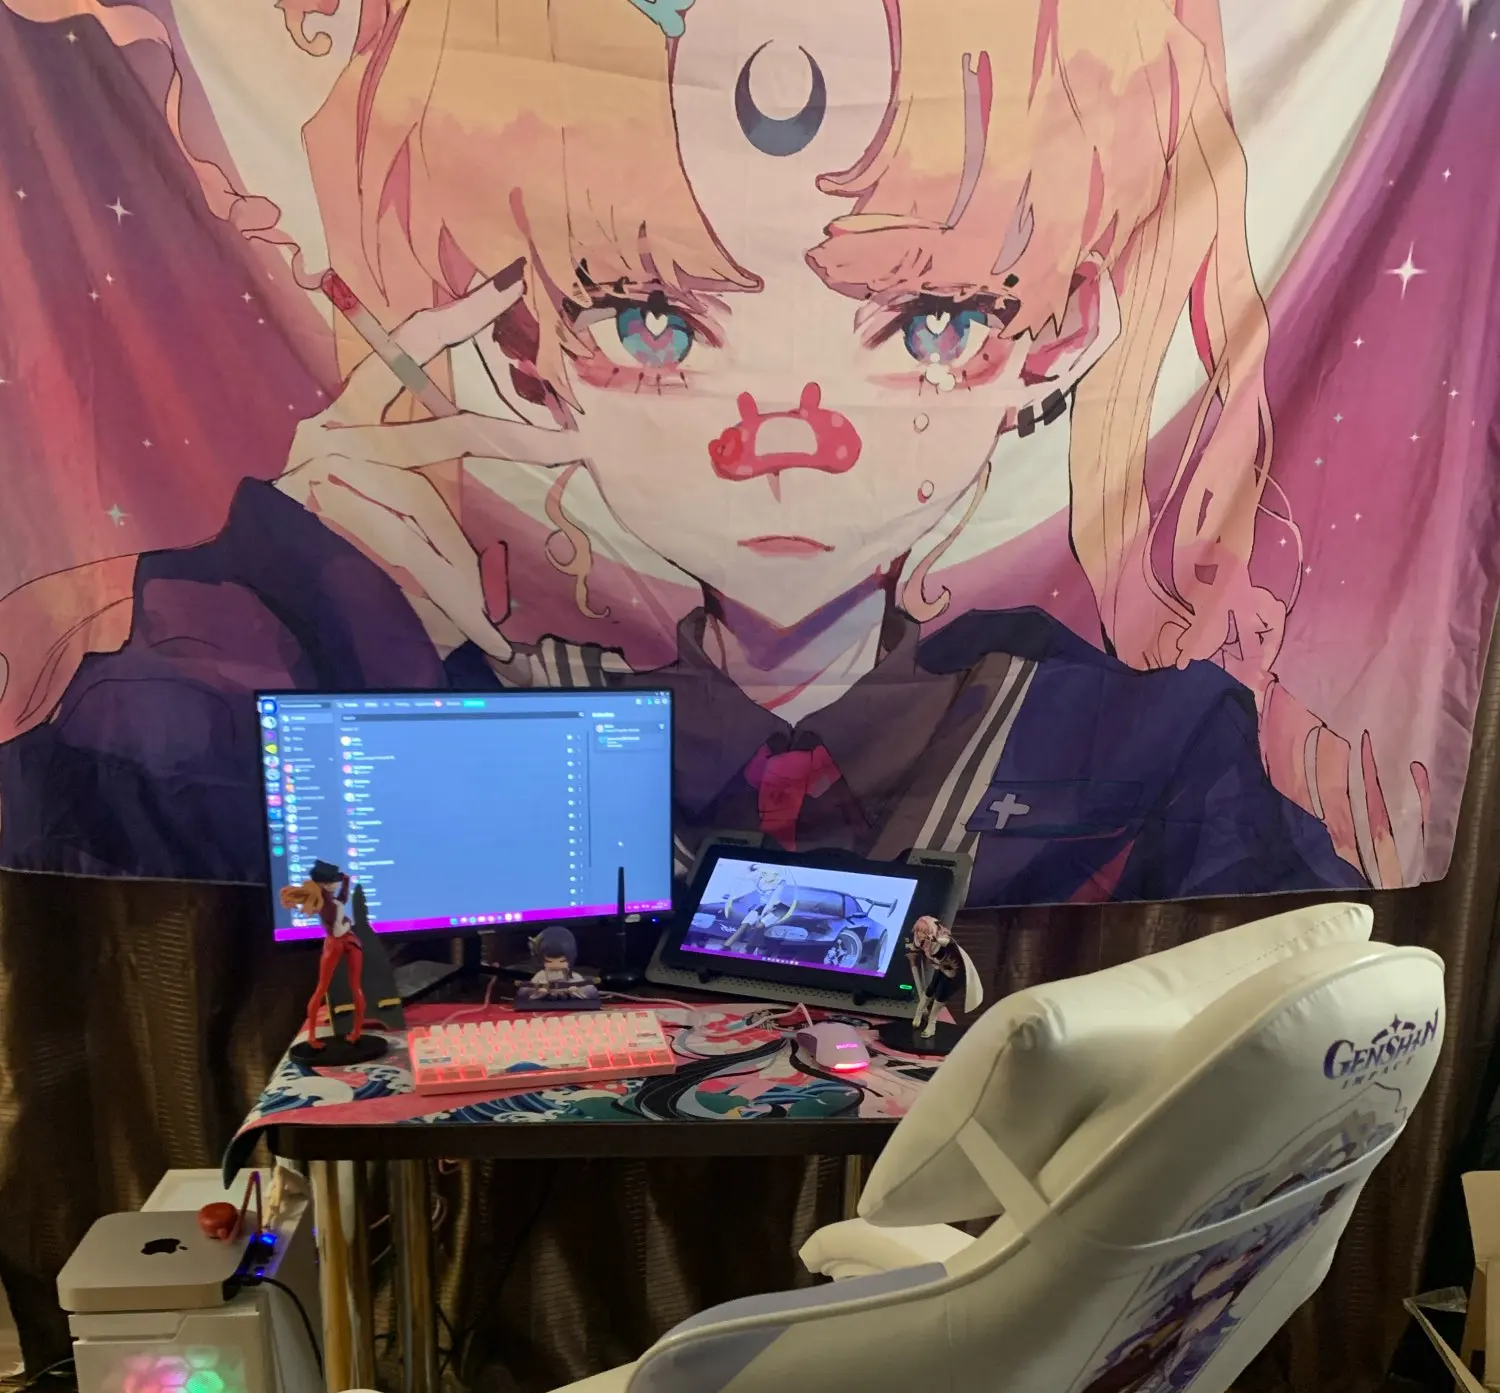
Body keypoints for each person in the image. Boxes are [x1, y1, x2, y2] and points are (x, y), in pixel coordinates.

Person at [0, 0, 1375, 898]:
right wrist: (306, 577)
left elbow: (1273, 1017)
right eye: (653, 321)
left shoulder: (1131, 739)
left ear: (1058, 338)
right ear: (526, 352)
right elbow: (139, 805)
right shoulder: (494, 709)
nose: (788, 430)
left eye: (932, 320)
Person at [279, 860, 366, 1050]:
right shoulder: (325, 903)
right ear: (325, 884)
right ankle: (313, 1036)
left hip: (347, 941)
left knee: (351, 987)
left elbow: (341, 900)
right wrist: (347, 924)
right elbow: (336, 928)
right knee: (324, 987)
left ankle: (355, 1032)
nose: (336, 883)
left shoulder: (329, 900)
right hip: (337, 941)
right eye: (334, 880)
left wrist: (346, 883)